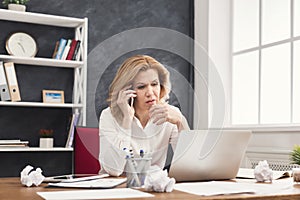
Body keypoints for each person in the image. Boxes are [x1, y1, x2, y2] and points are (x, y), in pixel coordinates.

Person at [98, 55, 190, 176]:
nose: (150, 93)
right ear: (127, 91)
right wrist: (126, 121)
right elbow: (114, 170)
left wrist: (180, 122)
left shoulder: (170, 115)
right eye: (141, 87)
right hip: (116, 188)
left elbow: (189, 166)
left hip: (153, 188)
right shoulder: (108, 116)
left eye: (154, 84)